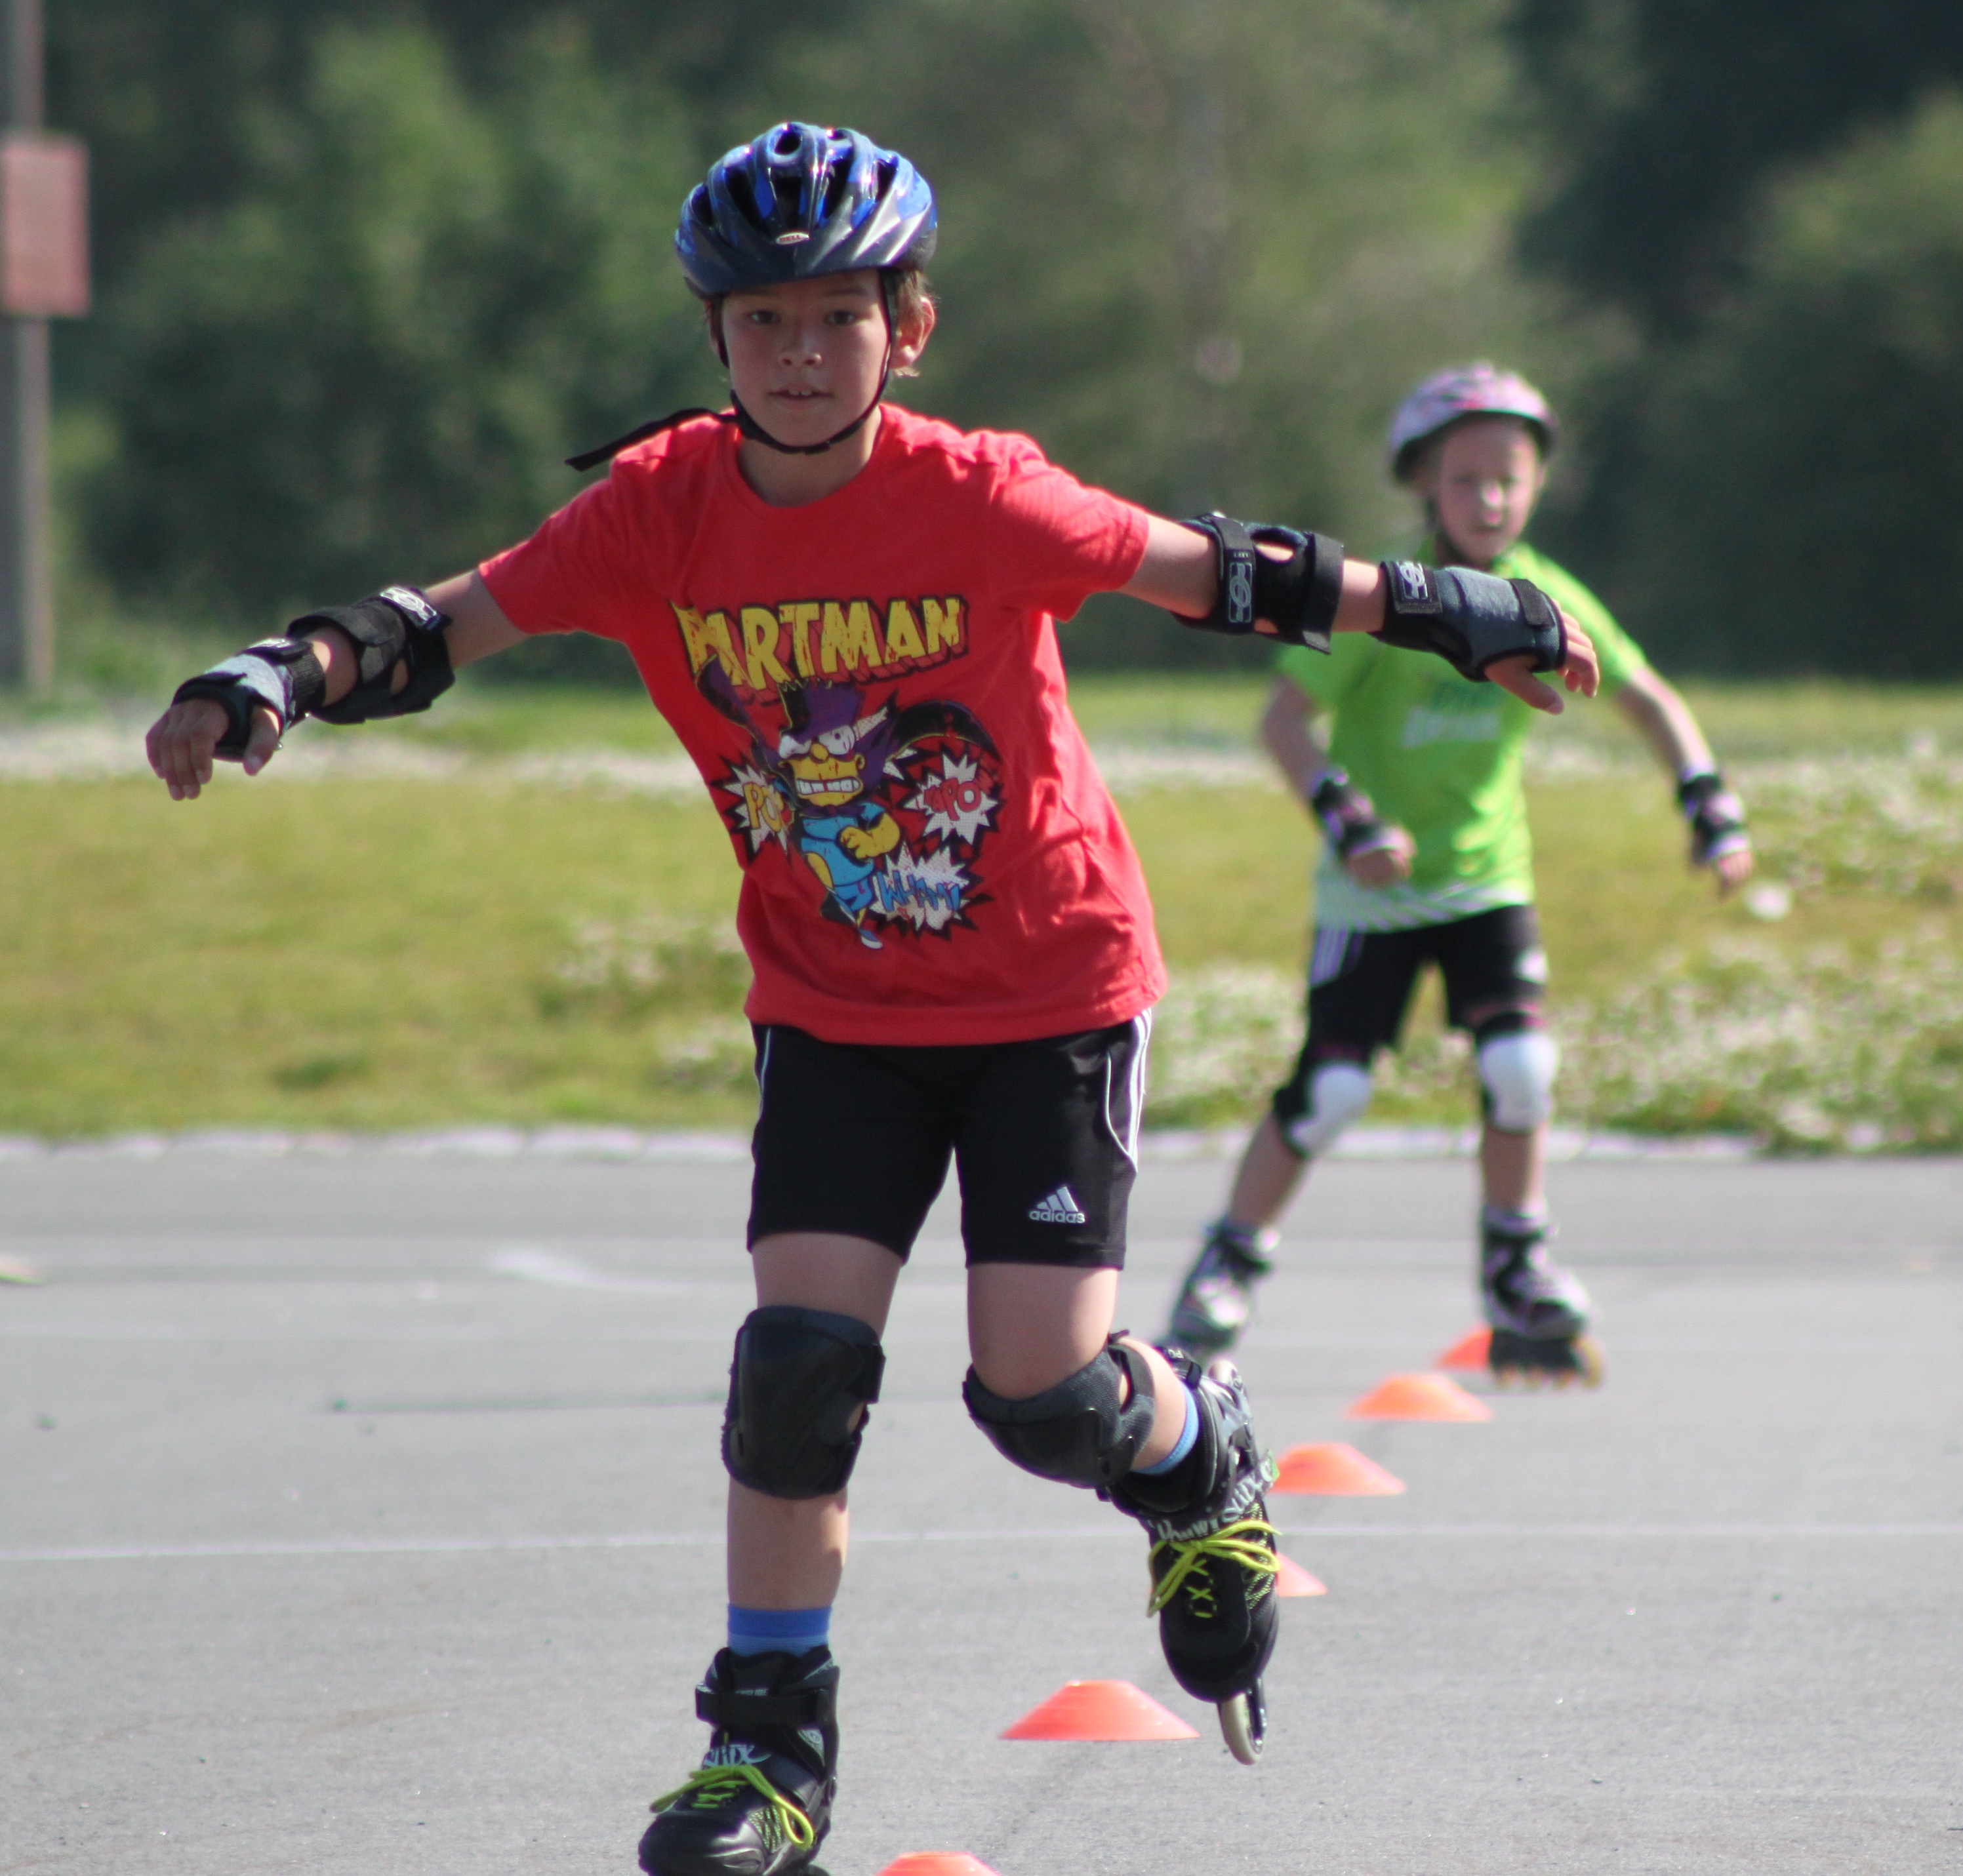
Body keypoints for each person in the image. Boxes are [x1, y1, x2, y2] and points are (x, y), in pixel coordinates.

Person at [140, 127, 1596, 1876]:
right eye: (763, 320)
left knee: (1041, 1396)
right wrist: (272, 674)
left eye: (839, 315)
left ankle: (1194, 1446)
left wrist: (1449, 608)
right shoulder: (657, 511)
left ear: (909, 328)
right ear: (715, 338)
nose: (801, 352)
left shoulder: (978, 492)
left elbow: (1228, 573)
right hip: (835, 1007)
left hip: (1049, 986)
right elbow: (437, 625)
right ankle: (768, 1749)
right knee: (795, 1371)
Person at [1161, 364, 1749, 1384]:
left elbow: (1646, 696)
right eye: (1466, 479)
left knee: (1521, 1069)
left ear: (1537, 485)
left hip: (1484, 881)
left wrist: (1707, 803)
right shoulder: (1383, 600)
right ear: (1422, 485)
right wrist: (1346, 818)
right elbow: (1283, 720)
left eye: (1508, 479)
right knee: (1332, 1089)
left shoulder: (1546, 595)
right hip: (1372, 892)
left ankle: (1517, 1265)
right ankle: (1229, 1263)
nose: (1488, 500)